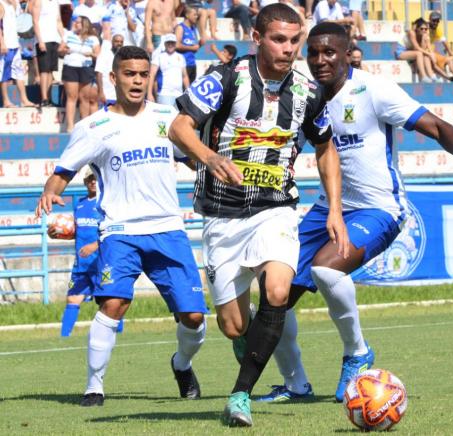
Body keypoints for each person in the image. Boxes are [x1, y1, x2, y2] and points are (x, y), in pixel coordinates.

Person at [257, 22, 453, 404]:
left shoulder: (373, 90)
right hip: (328, 209)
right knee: (274, 295)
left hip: (379, 208)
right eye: (314, 53)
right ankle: (296, 384)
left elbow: (433, 125)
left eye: (329, 52)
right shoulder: (304, 95)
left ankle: (357, 353)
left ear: (347, 51)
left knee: (324, 268)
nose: (320, 60)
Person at [168, 3, 348, 427]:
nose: (288, 49)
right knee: (233, 326)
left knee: (280, 291)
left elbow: (325, 148)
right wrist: (209, 158)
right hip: (222, 214)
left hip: (276, 209)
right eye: (278, 39)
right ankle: (246, 341)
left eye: (294, 40)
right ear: (258, 38)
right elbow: (178, 128)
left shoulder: (307, 92)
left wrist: (335, 209)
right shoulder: (227, 78)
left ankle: (240, 394)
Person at [35, 45, 208, 407]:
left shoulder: (169, 117)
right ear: (113, 78)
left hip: (167, 229)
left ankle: (181, 364)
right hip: (120, 232)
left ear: (151, 77)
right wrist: (50, 194)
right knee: (113, 304)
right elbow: (62, 172)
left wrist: (212, 167)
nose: (137, 81)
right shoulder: (93, 127)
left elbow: (194, 157)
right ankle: (94, 386)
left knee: (193, 316)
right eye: (129, 74)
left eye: (143, 74)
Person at [59, 171, 126, 337]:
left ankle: (120, 336)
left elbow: (114, 231)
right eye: (90, 179)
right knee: (73, 298)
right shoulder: (79, 205)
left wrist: (95, 245)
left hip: (102, 262)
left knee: (110, 302)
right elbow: (77, 232)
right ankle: (64, 338)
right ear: (85, 182)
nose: (93, 182)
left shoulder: (106, 204)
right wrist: (58, 234)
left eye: (95, 178)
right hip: (81, 264)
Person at [60, 15, 100, 132]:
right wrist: (65, 50)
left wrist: (90, 54)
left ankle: (84, 126)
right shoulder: (68, 34)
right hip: (70, 66)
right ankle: (70, 125)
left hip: (85, 68)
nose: (75, 24)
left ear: (84, 25)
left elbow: (98, 54)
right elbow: (60, 50)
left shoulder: (93, 39)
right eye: (75, 22)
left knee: (84, 98)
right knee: (72, 97)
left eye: (78, 22)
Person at [0, 0, 36, 107]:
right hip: (6, 45)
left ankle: (24, 100)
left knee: (19, 73)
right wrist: (2, 43)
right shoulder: (1, 5)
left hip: (15, 44)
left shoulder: (14, 5)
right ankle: (6, 101)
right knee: (4, 74)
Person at [29, 0, 65, 107]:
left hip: (55, 39)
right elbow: (35, 21)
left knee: (50, 70)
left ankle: (49, 97)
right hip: (44, 39)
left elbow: (58, 21)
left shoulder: (55, 3)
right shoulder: (39, 2)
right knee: (44, 70)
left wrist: (63, 38)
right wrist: (40, 40)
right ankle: (44, 98)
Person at [395, 18, 442, 83]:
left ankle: (432, 76)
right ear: (417, 28)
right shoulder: (411, 33)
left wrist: (431, 54)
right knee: (419, 53)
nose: (424, 30)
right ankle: (423, 77)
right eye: (421, 28)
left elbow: (426, 49)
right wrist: (430, 54)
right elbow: (417, 48)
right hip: (401, 52)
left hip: (410, 53)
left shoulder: (424, 35)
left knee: (425, 55)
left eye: (426, 29)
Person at [148, 33, 188, 107]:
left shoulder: (181, 57)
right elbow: (152, 75)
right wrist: (149, 93)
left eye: (172, 43)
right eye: (168, 43)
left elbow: (185, 76)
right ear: (165, 44)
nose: (170, 45)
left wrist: (188, 92)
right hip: (164, 94)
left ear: (175, 44)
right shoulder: (159, 56)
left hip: (179, 95)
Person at [96, 33, 124, 106]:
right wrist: (101, 92)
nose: (119, 43)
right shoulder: (104, 54)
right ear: (112, 42)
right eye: (117, 41)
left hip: (119, 98)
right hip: (106, 96)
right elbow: (99, 73)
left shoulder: (123, 57)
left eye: (121, 42)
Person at [175, 5, 200, 82]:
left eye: (197, 15)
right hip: (183, 64)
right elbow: (176, 45)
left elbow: (194, 47)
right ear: (187, 15)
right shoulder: (180, 28)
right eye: (194, 14)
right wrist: (193, 48)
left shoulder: (193, 29)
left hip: (192, 63)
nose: (196, 17)